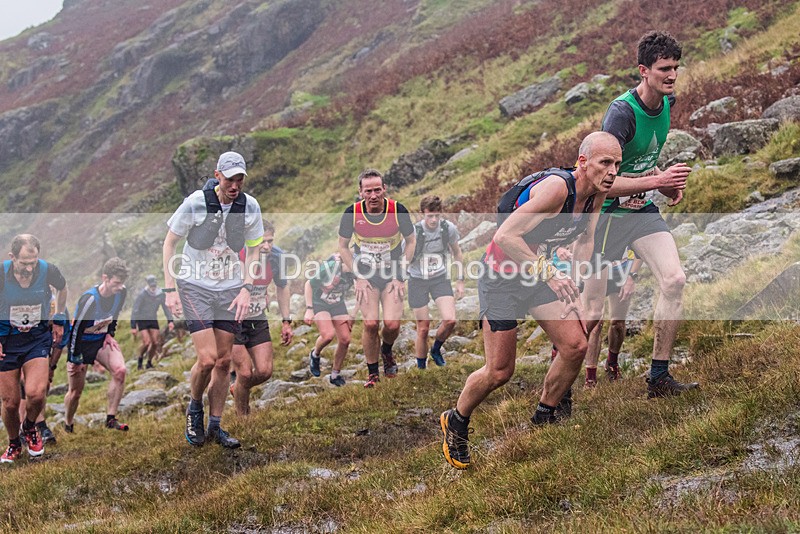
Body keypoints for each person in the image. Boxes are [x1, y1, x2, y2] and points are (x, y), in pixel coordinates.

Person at [440, 131, 621, 469]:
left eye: (617, 164)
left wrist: (575, 287)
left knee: (576, 345)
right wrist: (551, 274)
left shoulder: (596, 195)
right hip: (501, 278)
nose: (612, 172)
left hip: (538, 274)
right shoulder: (557, 189)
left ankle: (544, 416)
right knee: (499, 371)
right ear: (583, 163)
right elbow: (505, 235)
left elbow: (586, 242)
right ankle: (457, 419)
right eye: (605, 163)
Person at [584, 30, 698, 398]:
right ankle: (562, 391)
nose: (672, 75)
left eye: (676, 68)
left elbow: (646, 164)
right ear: (643, 70)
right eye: (664, 68)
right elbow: (601, 183)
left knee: (674, 279)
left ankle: (659, 378)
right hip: (605, 217)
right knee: (592, 311)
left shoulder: (666, 103)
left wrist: (664, 184)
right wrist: (657, 179)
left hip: (641, 210)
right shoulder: (621, 114)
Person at [163, 151, 264, 449]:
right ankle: (194, 407)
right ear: (217, 175)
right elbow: (170, 242)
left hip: (231, 288)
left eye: (240, 179)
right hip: (195, 286)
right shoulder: (195, 202)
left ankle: (216, 425)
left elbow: (256, 248)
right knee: (206, 359)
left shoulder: (250, 207)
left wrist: (247, 287)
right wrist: (170, 289)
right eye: (230, 178)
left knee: (223, 361)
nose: (235, 185)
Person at [338, 169, 416, 388]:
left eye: (377, 190)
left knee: (391, 324)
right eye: (368, 191)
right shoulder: (351, 213)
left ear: (384, 189)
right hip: (366, 276)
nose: (373, 195)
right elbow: (343, 247)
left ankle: (387, 351)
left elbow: (411, 241)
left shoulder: (397, 210)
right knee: (371, 323)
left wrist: (401, 275)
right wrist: (357, 276)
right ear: (361, 192)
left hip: (392, 274)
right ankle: (373, 373)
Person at [0, 235, 67, 463]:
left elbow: (63, 288)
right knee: (10, 402)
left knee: (36, 393)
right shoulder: (2, 273)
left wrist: (58, 317)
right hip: (6, 341)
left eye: (33, 262)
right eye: (24, 262)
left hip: (36, 339)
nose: (29, 267)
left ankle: (29, 427)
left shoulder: (48, 270)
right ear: (12, 257)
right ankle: (13, 444)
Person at [229, 220, 293, 416]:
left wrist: (286, 321)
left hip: (257, 317)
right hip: (232, 321)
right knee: (245, 372)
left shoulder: (277, 257)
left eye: (270, 241)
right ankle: (243, 418)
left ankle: (238, 387)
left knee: (265, 371)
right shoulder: (236, 255)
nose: (266, 246)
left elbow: (282, 288)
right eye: (262, 242)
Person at [63, 257, 130, 433]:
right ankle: (68, 423)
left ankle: (111, 418)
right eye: (116, 283)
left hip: (100, 341)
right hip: (81, 345)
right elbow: (76, 329)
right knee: (76, 392)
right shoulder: (90, 299)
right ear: (105, 278)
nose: (119, 287)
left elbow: (114, 315)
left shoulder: (121, 292)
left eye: (122, 283)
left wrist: (110, 334)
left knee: (120, 370)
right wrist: (75, 357)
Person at [407, 196, 464, 368]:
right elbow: (403, 259)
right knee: (423, 328)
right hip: (417, 280)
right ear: (422, 214)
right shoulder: (414, 233)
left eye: (437, 216)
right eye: (429, 216)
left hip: (439, 278)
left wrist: (460, 281)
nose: (433, 220)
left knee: (450, 320)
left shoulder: (448, 229)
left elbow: (457, 253)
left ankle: (436, 349)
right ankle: (421, 368)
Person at [583, 249, 643, 387]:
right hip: (596, 268)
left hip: (621, 270)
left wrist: (632, 276)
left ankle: (612, 364)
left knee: (618, 323)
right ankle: (590, 378)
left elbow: (641, 246)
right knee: (596, 323)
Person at [304, 253, 354, 386]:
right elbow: (309, 284)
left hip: (337, 303)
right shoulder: (330, 267)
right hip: (320, 302)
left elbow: (361, 293)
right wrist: (309, 309)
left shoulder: (359, 271)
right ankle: (315, 354)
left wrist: (352, 316)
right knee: (328, 335)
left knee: (345, 339)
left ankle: (335, 375)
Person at [131, 274, 174, 370]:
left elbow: (165, 308)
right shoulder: (142, 294)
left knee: (155, 342)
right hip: (142, 320)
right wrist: (133, 326)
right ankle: (140, 360)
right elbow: (135, 309)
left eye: (154, 286)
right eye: (151, 286)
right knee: (147, 342)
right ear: (148, 285)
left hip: (153, 319)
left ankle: (149, 362)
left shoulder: (160, 293)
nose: (153, 288)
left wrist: (170, 321)